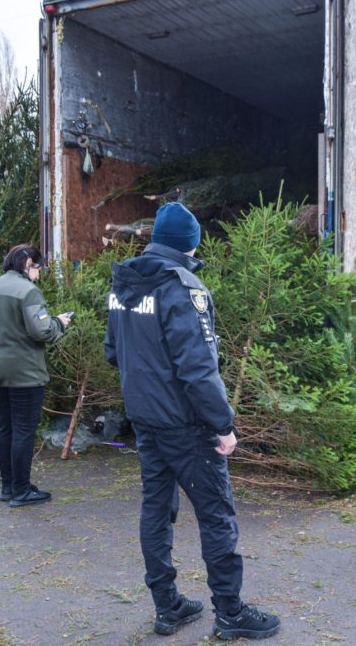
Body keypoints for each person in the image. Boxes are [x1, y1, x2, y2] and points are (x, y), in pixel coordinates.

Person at [104, 202, 281, 641]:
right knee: (217, 514)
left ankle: (167, 607)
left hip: (145, 419)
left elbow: (114, 351)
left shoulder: (126, 283)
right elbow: (198, 368)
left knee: (156, 509)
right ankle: (230, 612)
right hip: (185, 424)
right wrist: (223, 423)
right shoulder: (183, 288)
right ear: (191, 244)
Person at [0, 244, 72, 508]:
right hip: (23, 373)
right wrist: (59, 323)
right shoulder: (29, 292)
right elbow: (42, 331)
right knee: (23, 430)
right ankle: (22, 490)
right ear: (28, 263)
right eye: (39, 266)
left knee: (5, 427)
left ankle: (9, 486)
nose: (41, 272)